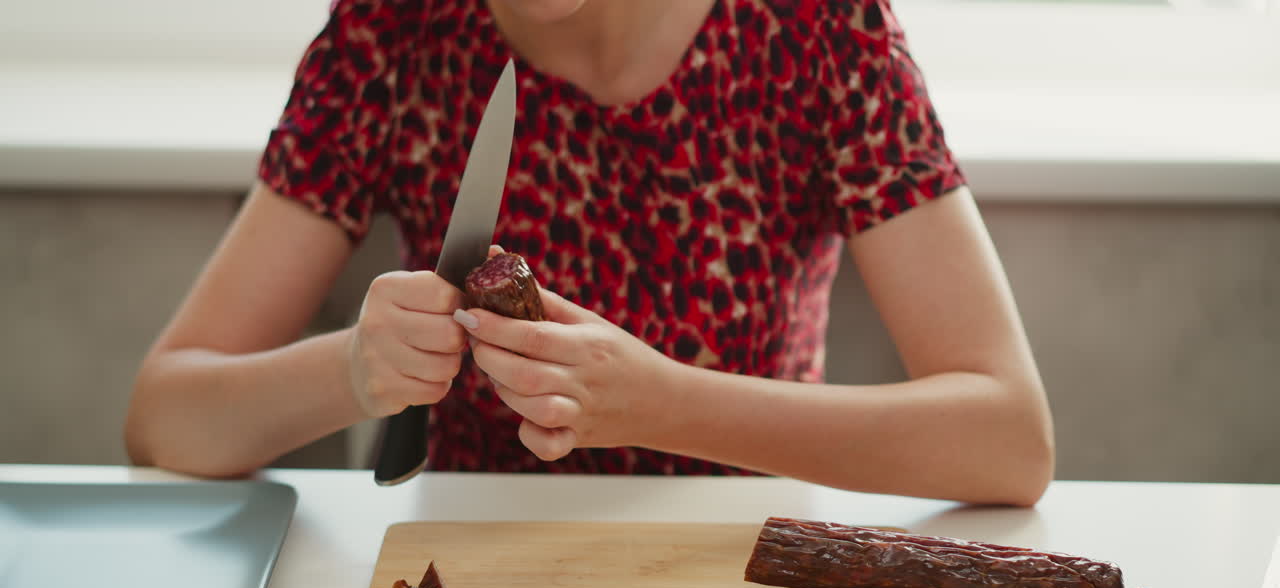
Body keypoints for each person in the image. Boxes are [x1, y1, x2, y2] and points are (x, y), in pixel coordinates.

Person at [124, 0, 1054, 506]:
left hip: (744, 581)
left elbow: (1007, 441)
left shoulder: (818, 28)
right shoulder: (389, 31)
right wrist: (356, 372)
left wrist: (665, 403)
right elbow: (165, 420)